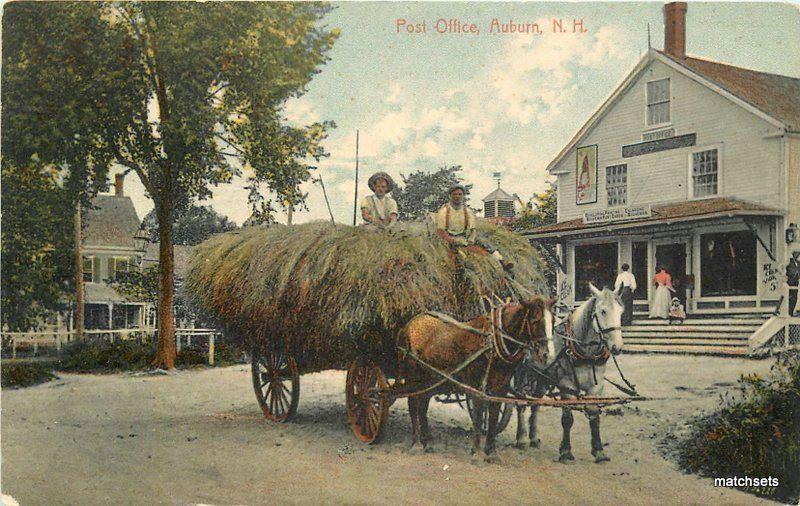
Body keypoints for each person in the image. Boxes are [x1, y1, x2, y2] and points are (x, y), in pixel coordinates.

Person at [435, 184, 512, 271]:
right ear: (450, 196)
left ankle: (501, 260)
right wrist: (453, 240)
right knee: (455, 257)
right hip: (448, 238)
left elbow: (473, 230)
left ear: (463, 196)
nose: (457, 197)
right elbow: (440, 231)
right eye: (455, 194)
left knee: (483, 242)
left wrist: (471, 238)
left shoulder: (467, 211)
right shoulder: (444, 211)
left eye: (460, 194)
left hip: (463, 236)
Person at [787, 250, 800, 316]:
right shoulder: (789, 262)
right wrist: (794, 274)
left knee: (795, 297)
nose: (797, 255)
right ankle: (789, 312)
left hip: (796, 282)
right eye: (796, 254)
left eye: (798, 254)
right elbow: (788, 271)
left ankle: (791, 312)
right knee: (791, 297)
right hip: (790, 282)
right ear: (793, 255)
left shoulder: (798, 263)